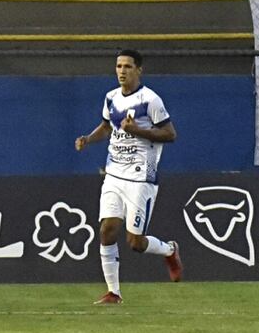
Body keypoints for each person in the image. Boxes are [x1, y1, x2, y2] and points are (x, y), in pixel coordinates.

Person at [75, 49, 183, 305]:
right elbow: (105, 126)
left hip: (140, 178)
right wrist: (88, 140)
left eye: (127, 66)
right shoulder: (111, 97)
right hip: (113, 174)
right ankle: (114, 292)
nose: (122, 71)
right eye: (118, 66)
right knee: (106, 230)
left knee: (135, 242)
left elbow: (170, 134)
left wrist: (137, 130)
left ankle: (170, 250)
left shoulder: (150, 100)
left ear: (138, 70)